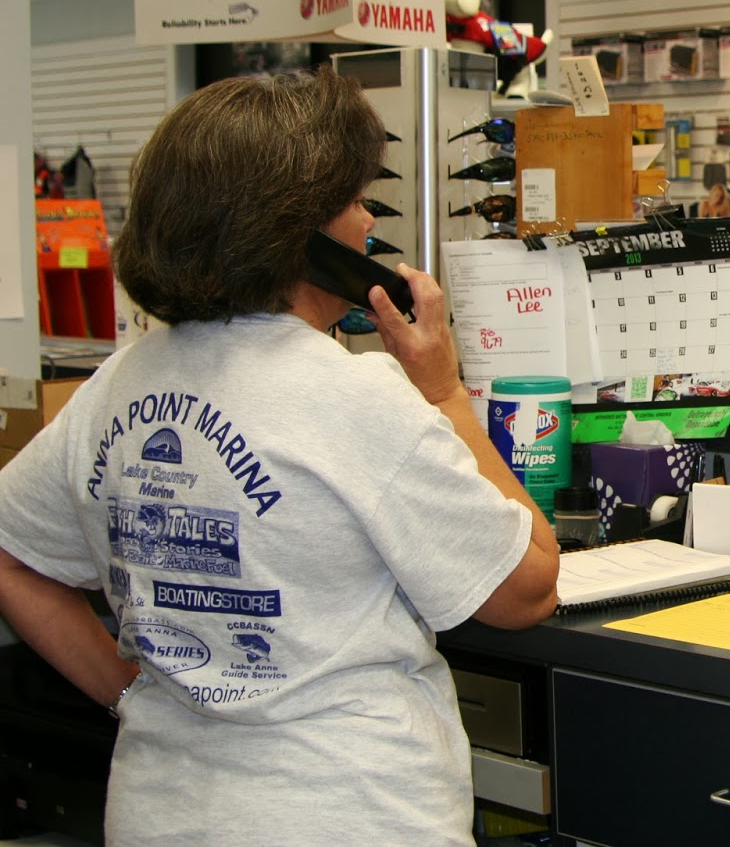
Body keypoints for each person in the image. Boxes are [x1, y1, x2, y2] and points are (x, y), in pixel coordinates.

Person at [0, 67, 561, 845]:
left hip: (161, 812)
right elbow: (526, 590)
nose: (369, 223)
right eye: (359, 201)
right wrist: (444, 393)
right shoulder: (355, 397)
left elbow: (10, 558)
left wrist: (126, 693)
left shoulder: (117, 383)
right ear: (300, 232)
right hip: (348, 813)